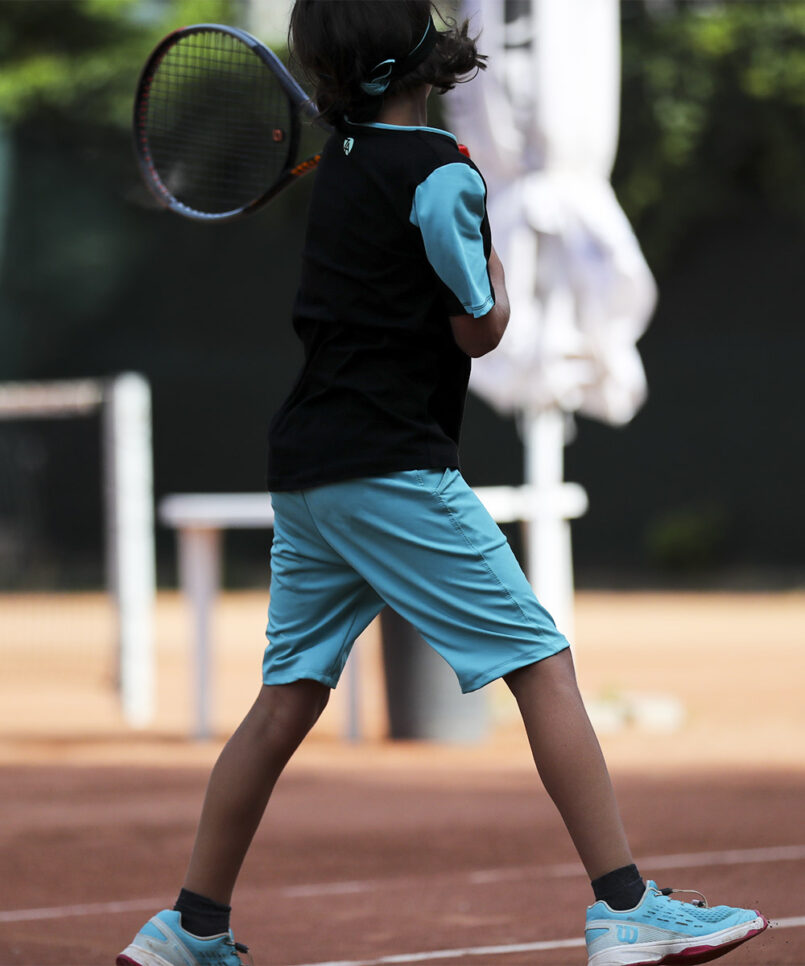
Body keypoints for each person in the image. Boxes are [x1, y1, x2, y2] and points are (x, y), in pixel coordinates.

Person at [117, 3, 768, 965]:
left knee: (285, 700)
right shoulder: (438, 173)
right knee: (542, 664)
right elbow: (481, 325)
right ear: (427, 55)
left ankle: (188, 927)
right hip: (390, 470)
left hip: (306, 471)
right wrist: (491, 248)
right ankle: (625, 907)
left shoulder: (340, 166)